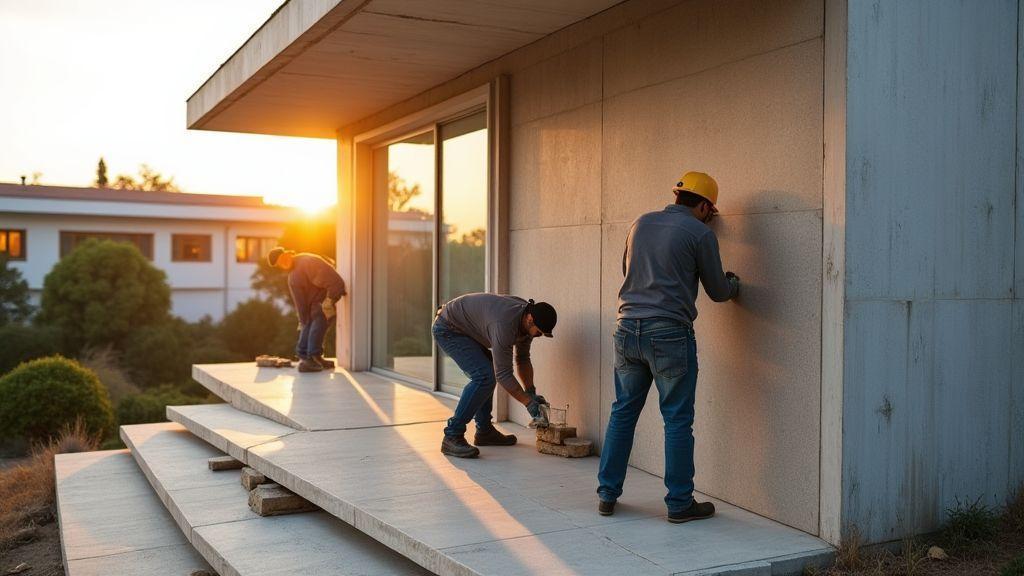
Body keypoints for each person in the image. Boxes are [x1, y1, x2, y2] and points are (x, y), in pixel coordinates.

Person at [597, 171, 740, 524]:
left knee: (623, 412)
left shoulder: (640, 223)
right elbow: (718, 292)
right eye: (711, 210)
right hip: (669, 333)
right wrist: (734, 284)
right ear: (704, 205)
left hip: (626, 327)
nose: (711, 217)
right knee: (676, 419)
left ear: (677, 195)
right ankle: (679, 503)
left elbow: (626, 270)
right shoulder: (700, 233)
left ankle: (607, 495)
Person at [433, 292, 557, 458]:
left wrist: (530, 392)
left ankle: (484, 432)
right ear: (530, 320)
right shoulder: (505, 324)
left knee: (487, 373)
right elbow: (504, 374)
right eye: (539, 332)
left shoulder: (526, 320)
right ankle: (452, 435)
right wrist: (528, 403)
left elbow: (522, 359)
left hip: (465, 328)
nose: (538, 336)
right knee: (484, 376)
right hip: (449, 328)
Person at [267, 247, 346, 373]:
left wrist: (330, 300)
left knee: (319, 318)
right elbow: (300, 303)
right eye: (279, 264)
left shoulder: (307, 261)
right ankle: (307, 358)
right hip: (313, 304)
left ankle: (313, 356)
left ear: (288, 253)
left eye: (283, 259)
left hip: (324, 298)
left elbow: (334, 281)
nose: (283, 264)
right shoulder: (292, 277)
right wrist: (302, 319)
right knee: (307, 321)